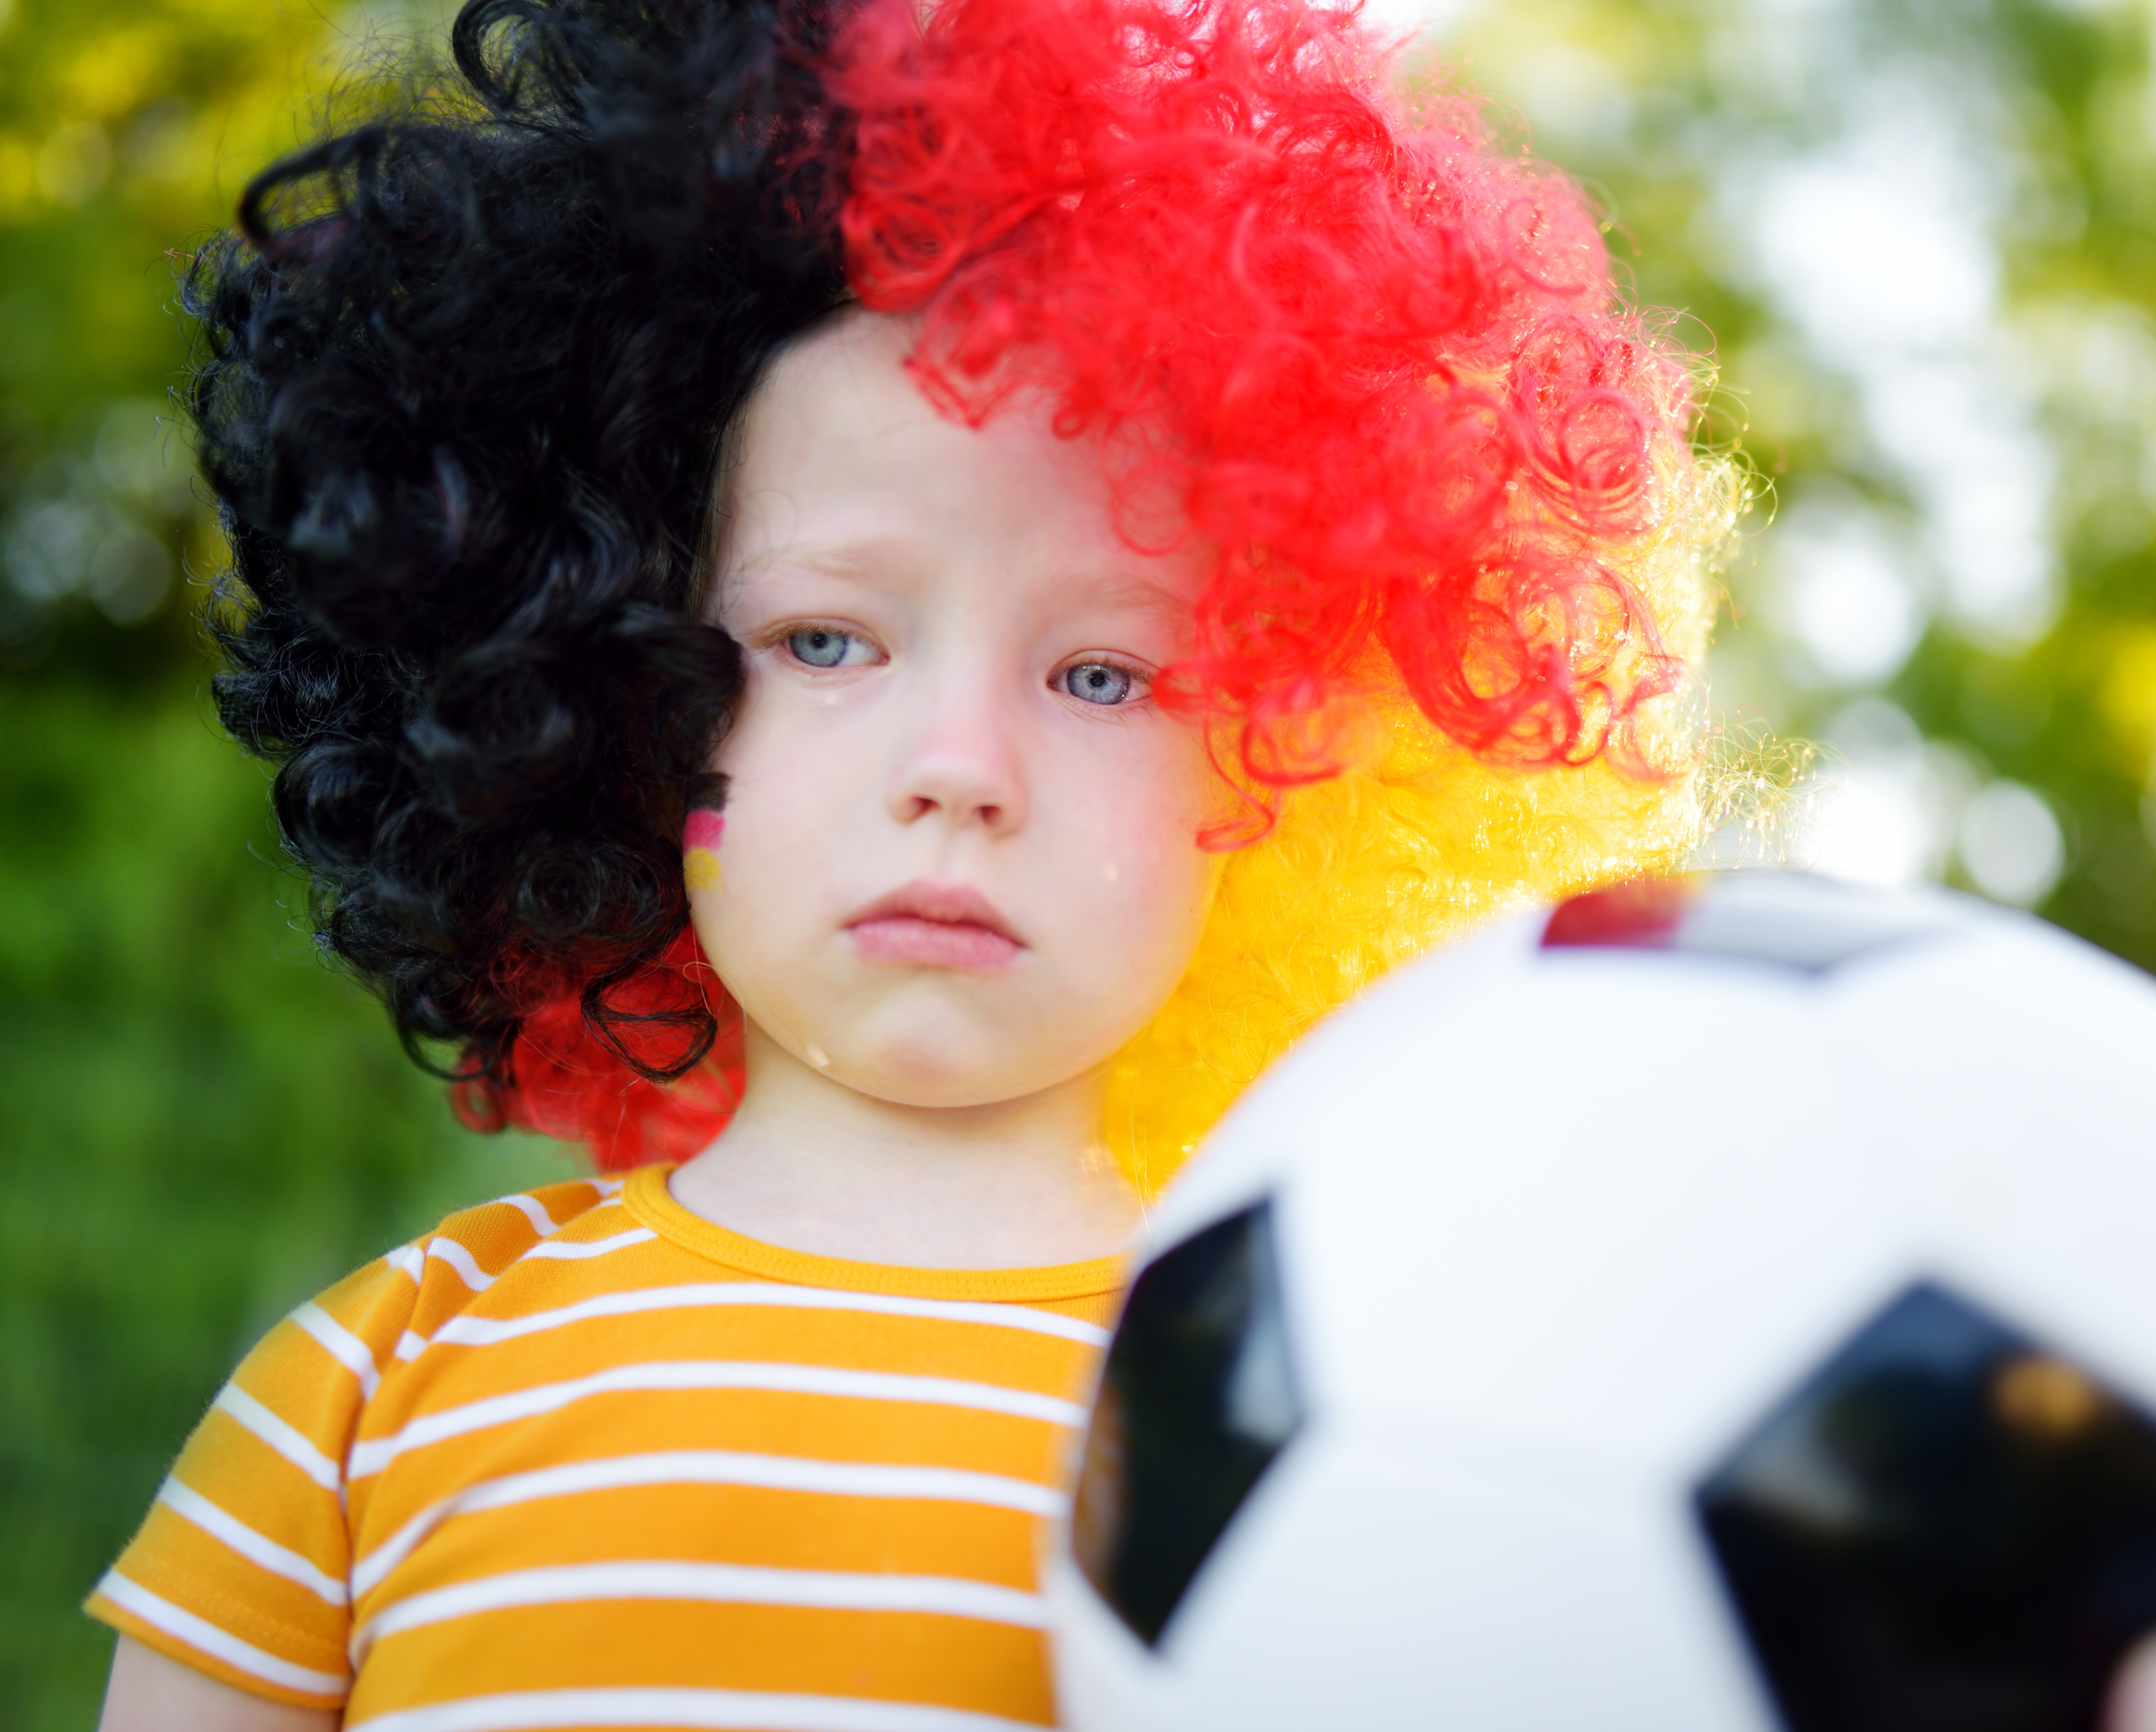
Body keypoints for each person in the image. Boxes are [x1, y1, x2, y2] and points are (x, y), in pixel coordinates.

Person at [87, 0, 1728, 1726]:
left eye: (1105, 673)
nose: (962, 767)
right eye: (824, 641)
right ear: (618, 685)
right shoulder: (367, 1392)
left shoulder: (1331, 1435)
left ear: (1290, 759)